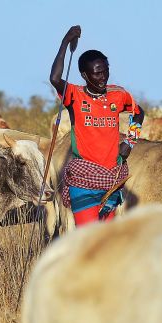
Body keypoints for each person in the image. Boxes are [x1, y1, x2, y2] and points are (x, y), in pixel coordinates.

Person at [49, 24, 145, 226]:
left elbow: (138, 113)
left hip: (112, 179)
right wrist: (66, 41)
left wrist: (130, 141)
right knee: (88, 239)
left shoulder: (118, 95)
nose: (102, 77)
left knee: (105, 242)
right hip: (83, 180)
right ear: (85, 75)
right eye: (96, 73)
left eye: (105, 71)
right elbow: (55, 78)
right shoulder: (75, 96)